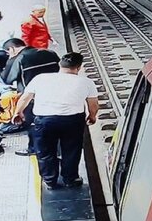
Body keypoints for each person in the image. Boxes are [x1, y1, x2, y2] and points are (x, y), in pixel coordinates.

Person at [13, 52, 99, 190]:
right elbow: (93, 104)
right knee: (71, 150)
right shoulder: (86, 82)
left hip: (44, 120)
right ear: (79, 67)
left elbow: (25, 98)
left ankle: (50, 180)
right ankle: (70, 179)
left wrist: (18, 112)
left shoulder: (40, 78)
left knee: (45, 151)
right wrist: (92, 116)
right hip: (73, 121)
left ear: (60, 64)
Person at [1, 38, 60, 156]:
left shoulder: (19, 59)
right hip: (55, 93)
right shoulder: (49, 52)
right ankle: (58, 149)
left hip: (31, 98)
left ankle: (33, 148)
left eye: (8, 52)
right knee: (55, 121)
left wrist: (10, 61)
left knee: (32, 124)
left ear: (12, 49)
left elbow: (7, 79)